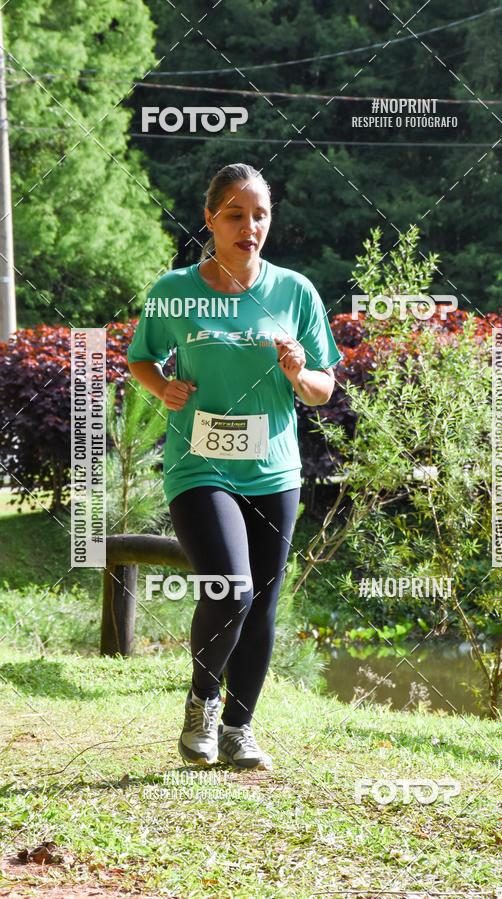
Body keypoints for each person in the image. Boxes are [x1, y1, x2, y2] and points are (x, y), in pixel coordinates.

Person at [127, 162, 342, 771]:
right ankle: (202, 703)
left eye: (260, 215)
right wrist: (160, 387)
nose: (250, 226)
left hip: (273, 470)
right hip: (199, 465)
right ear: (210, 220)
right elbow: (143, 358)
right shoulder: (175, 290)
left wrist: (300, 372)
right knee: (231, 590)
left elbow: (324, 390)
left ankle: (239, 730)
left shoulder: (295, 291)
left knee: (265, 602)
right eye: (236, 215)